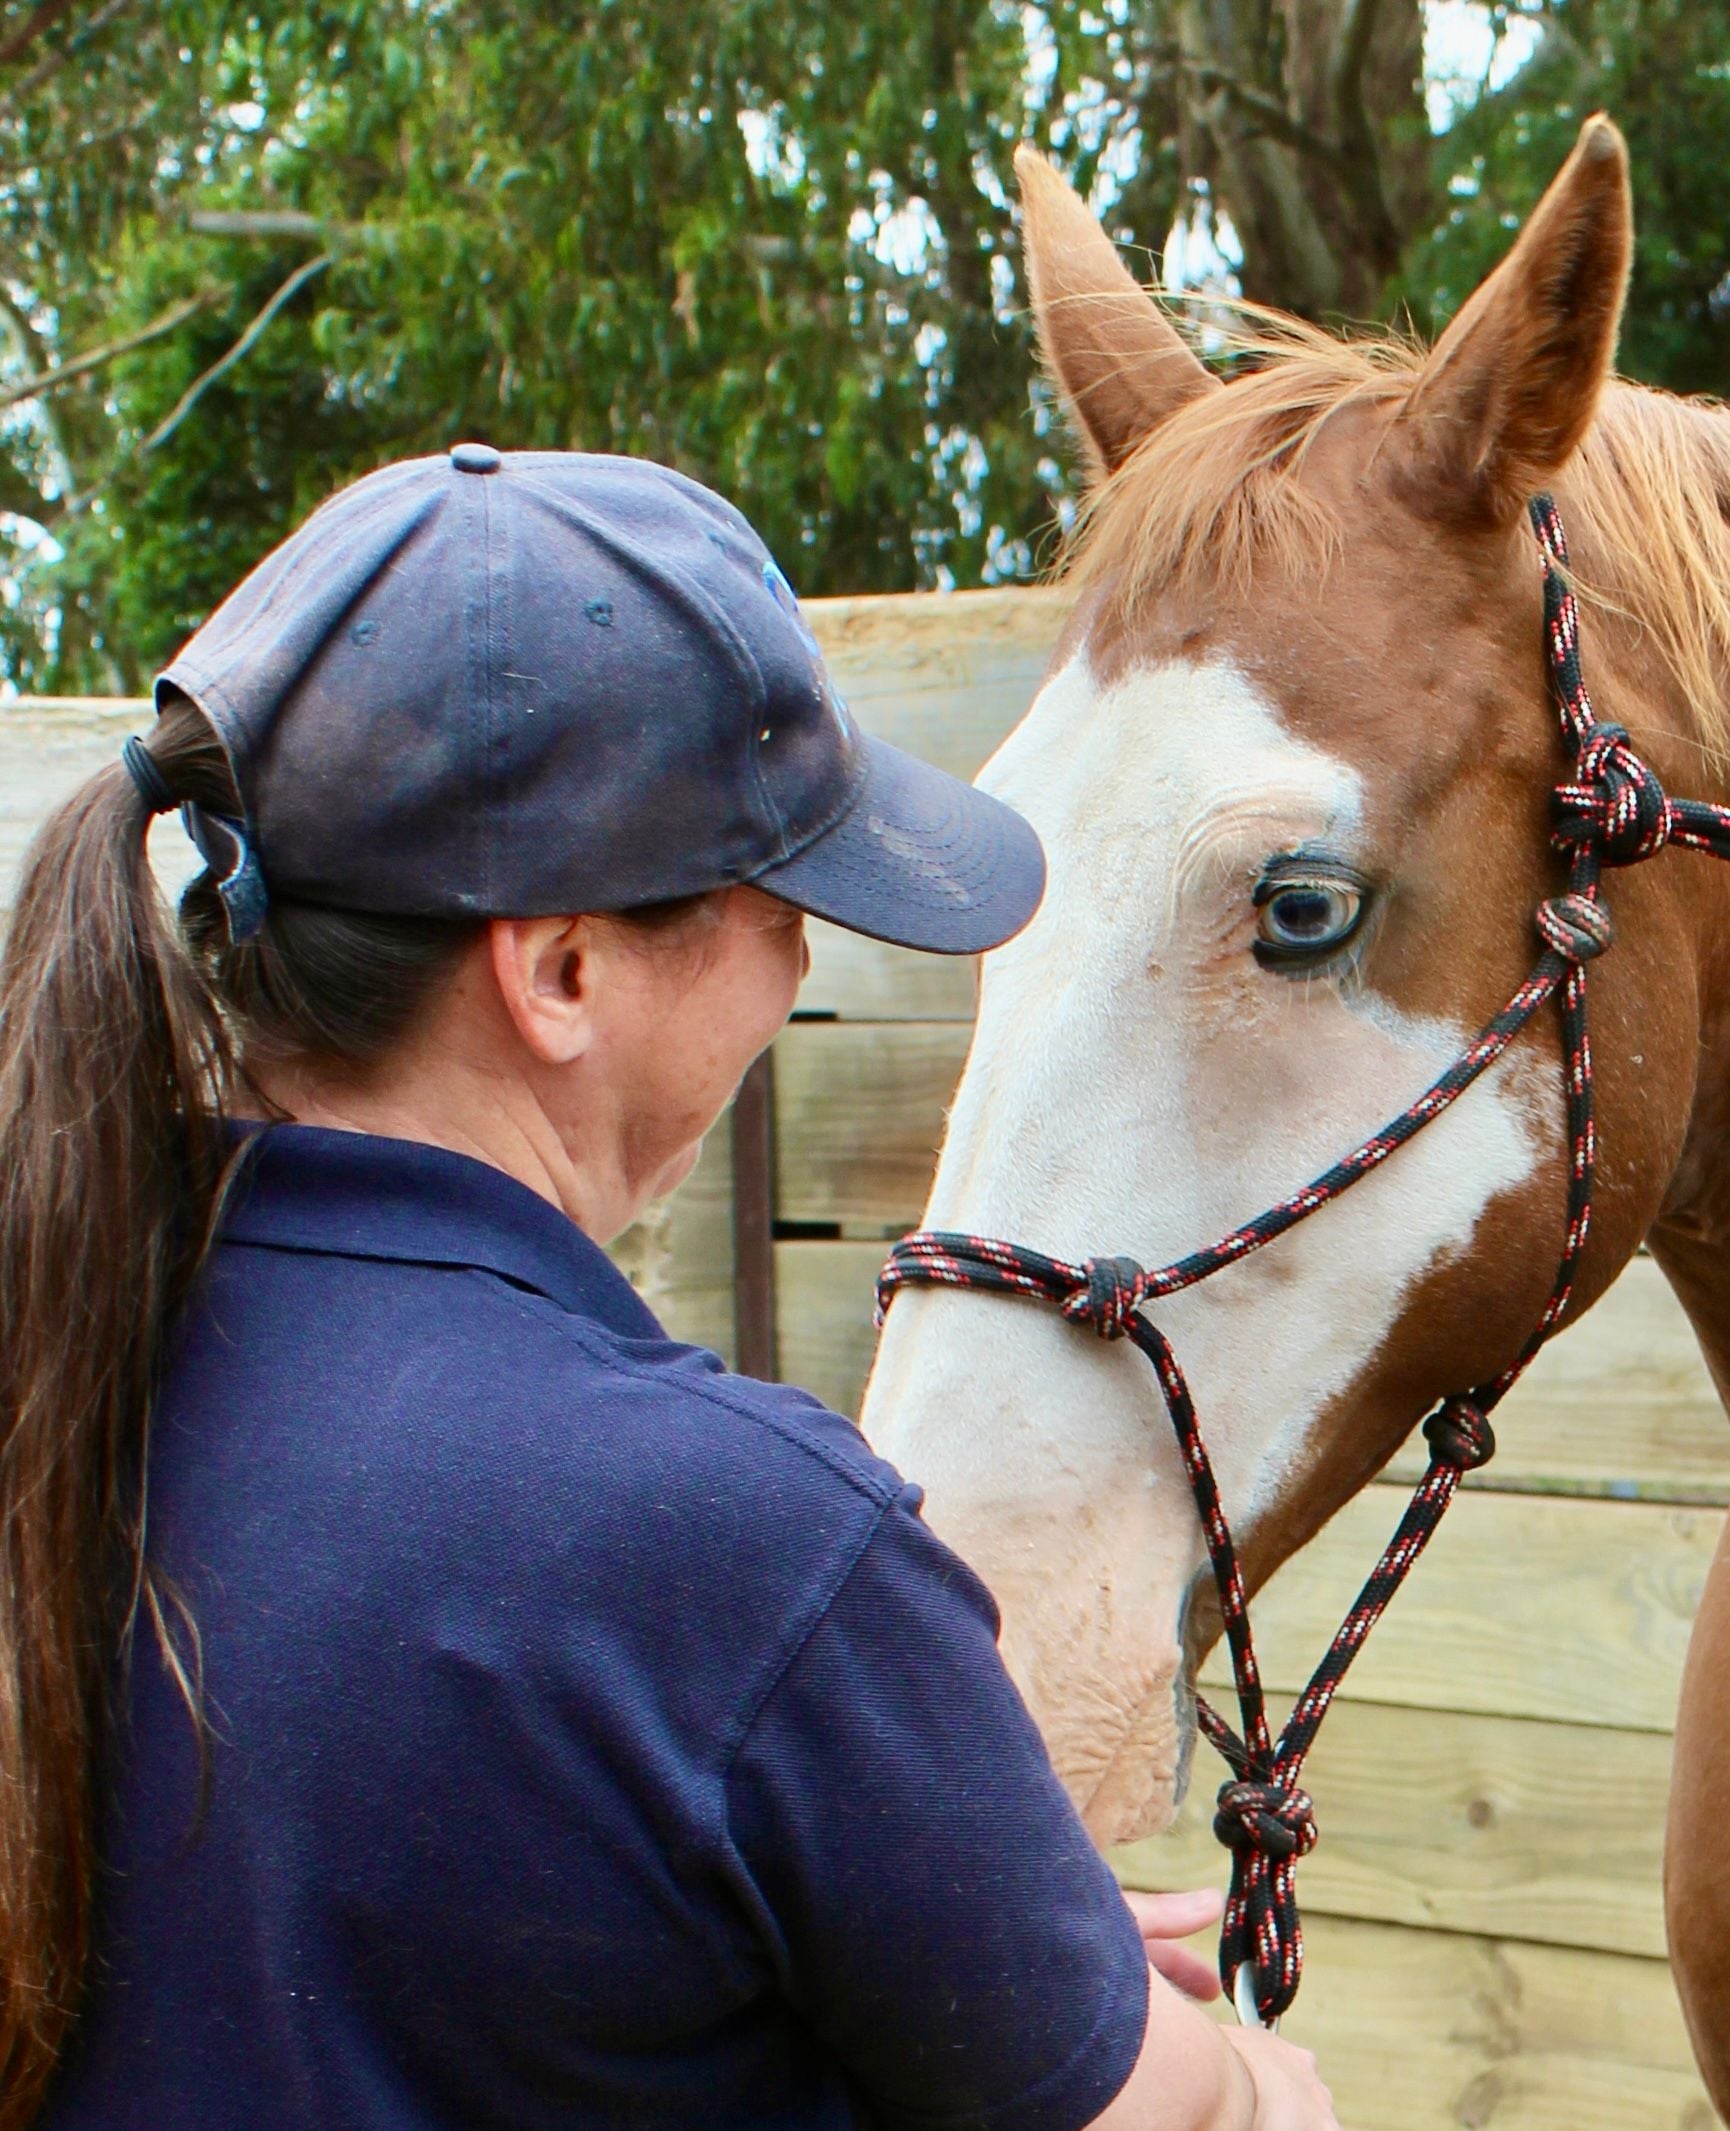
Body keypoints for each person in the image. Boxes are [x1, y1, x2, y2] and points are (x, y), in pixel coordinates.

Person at [0, 446, 1337, 2131]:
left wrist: (999, 1959)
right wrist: (1254, 2083)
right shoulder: (730, 1546)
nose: (798, 967)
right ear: (561, 972)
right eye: (782, 905)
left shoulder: (61, 1375)